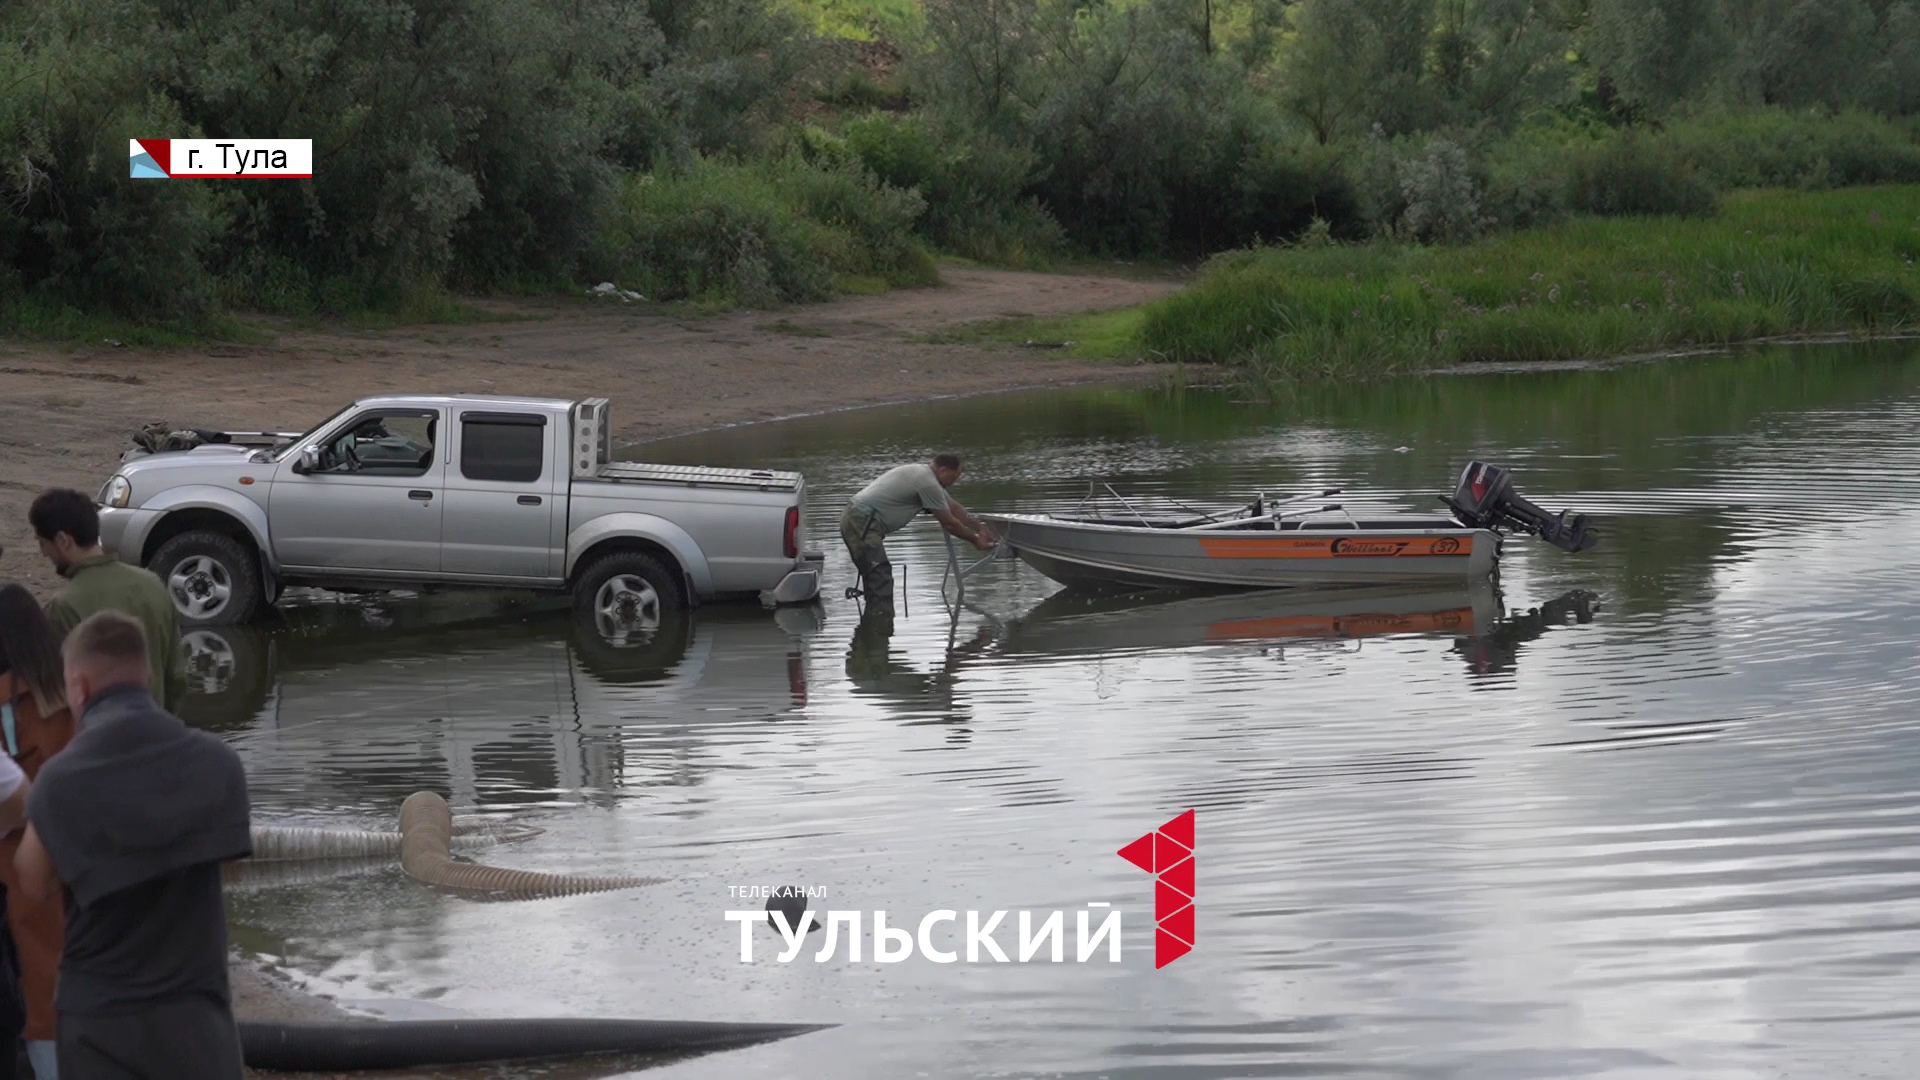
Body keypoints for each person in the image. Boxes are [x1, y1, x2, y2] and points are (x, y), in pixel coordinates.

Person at [12, 611, 251, 1080]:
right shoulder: (218, 763)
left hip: (102, 1023)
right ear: (147, 676)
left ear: (78, 687)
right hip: (196, 1014)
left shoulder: (61, 783)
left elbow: (33, 882)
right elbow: (230, 868)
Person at [0, 586, 75, 1079]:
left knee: (32, 997)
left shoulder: (9, 702)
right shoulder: (72, 689)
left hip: (17, 876)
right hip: (74, 871)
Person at [26, 490, 186, 714]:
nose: (43, 553)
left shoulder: (63, 607)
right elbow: (177, 679)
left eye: (43, 542)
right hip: (156, 734)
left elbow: (58, 696)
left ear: (63, 541)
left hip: (99, 742)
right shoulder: (153, 585)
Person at [840, 454, 997, 605]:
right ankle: (880, 622)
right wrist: (975, 540)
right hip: (861, 521)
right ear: (943, 470)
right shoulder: (927, 483)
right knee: (879, 576)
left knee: (875, 575)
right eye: (952, 479)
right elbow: (949, 522)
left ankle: (873, 623)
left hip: (860, 519)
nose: (952, 484)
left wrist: (980, 527)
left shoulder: (924, 476)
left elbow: (954, 508)